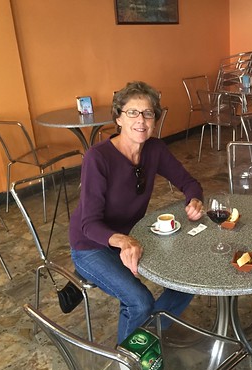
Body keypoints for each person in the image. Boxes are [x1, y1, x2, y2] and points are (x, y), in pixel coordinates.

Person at [69, 81, 204, 344]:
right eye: (132, 112)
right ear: (118, 118)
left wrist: (195, 200)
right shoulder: (98, 158)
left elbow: (190, 183)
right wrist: (123, 240)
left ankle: (144, 337)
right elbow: (89, 224)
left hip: (133, 236)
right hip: (90, 245)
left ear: (155, 119)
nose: (140, 120)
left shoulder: (155, 149)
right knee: (139, 301)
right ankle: (128, 361)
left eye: (148, 113)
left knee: (191, 278)